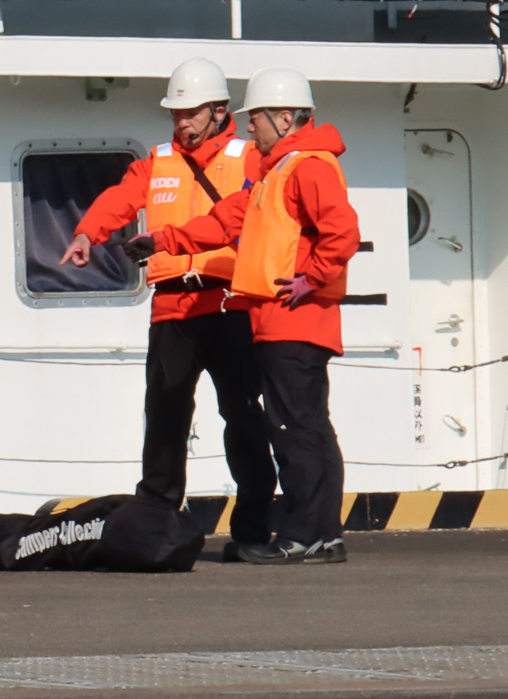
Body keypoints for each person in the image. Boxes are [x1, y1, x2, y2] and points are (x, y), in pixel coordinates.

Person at [127, 67, 358, 565]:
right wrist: (164, 241)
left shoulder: (305, 168)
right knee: (310, 428)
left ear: (283, 116)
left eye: (255, 118)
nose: (248, 128)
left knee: (296, 430)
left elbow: (343, 233)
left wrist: (309, 278)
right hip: (285, 319)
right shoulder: (280, 171)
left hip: (292, 317)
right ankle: (324, 535)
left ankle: (301, 536)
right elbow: (226, 219)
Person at [58, 58, 276, 559]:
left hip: (229, 302)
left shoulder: (248, 157)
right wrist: (87, 233)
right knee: (164, 418)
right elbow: (119, 198)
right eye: (176, 113)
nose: (181, 122)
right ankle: (156, 519)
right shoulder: (154, 161)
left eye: (191, 112)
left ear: (220, 111)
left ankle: (253, 529)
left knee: (243, 416)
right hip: (172, 307)